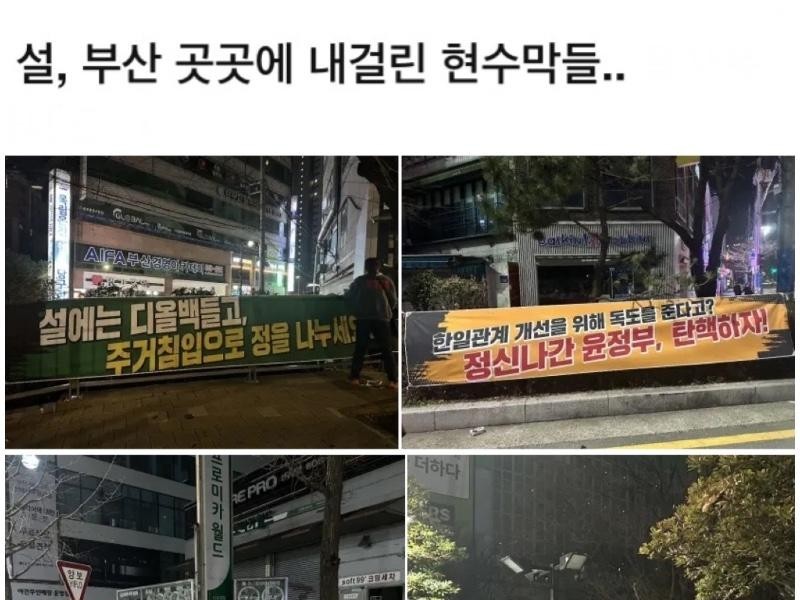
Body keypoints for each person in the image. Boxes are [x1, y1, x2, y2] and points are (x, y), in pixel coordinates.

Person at [345, 258, 398, 389]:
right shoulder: (386, 281)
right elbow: (393, 301)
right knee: (386, 349)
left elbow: (349, 297)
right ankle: (393, 380)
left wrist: (357, 310)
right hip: (382, 319)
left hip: (363, 318)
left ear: (366, 267)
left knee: (360, 348)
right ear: (379, 267)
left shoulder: (359, 281)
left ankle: (354, 377)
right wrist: (385, 311)